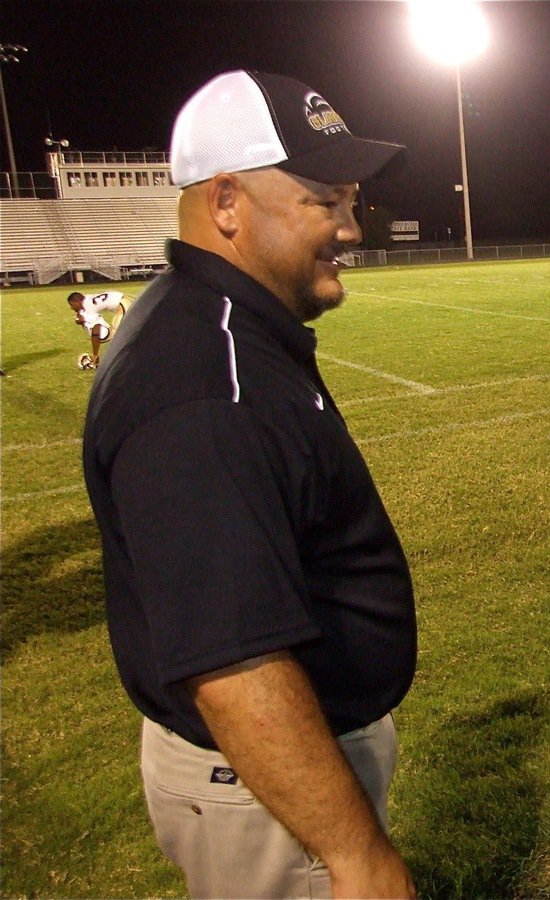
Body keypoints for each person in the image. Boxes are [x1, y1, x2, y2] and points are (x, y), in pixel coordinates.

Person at [81, 70, 417, 899]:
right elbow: (234, 661)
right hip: (269, 796)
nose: (351, 227)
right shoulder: (206, 385)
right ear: (227, 202)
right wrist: (356, 854)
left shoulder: (227, 333)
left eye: (351, 201)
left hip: (266, 783)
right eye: (323, 202)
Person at [67, 289, 127, 368]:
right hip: (121, 299)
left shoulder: (88, 309)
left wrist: (95, 355)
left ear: (77, 301)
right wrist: (79, 319)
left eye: (72, 304)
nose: (71, 308)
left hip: (123, 304)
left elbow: (96, 330)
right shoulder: (86, 300)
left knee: (121, 334)